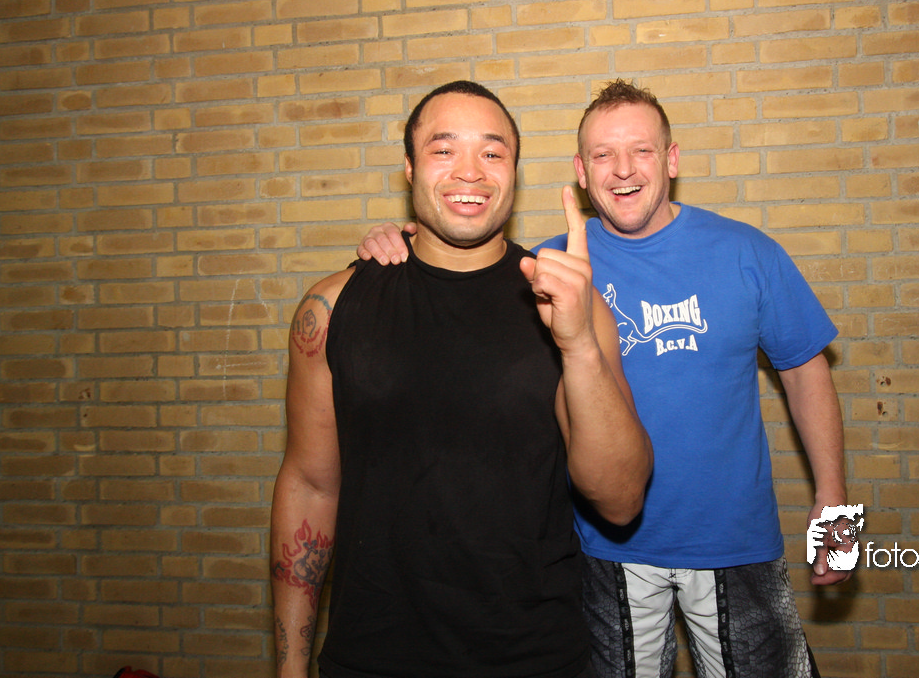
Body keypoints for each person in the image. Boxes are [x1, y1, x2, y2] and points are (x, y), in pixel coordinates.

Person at [358, 79, 851, 678]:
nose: (623, 170)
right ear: (580, 172)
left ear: (671, 159)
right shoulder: (547, 268)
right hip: (601, 551)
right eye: (602, 155)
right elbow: (456, 261)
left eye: (642, 150)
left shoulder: (748, 252)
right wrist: (395, 240)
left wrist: (836, 508)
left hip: (734, 543)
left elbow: (805, 373)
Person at [271, 80, 653, 678]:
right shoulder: (332, 308)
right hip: (371, 659)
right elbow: (310, 486)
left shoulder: (569, 307)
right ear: (409, 168)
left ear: (514, 172)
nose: (470, 171)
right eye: (444, 149)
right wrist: (290, 668)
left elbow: (622, 500)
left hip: (534, 661)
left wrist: (578, 343)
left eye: (493, 152)